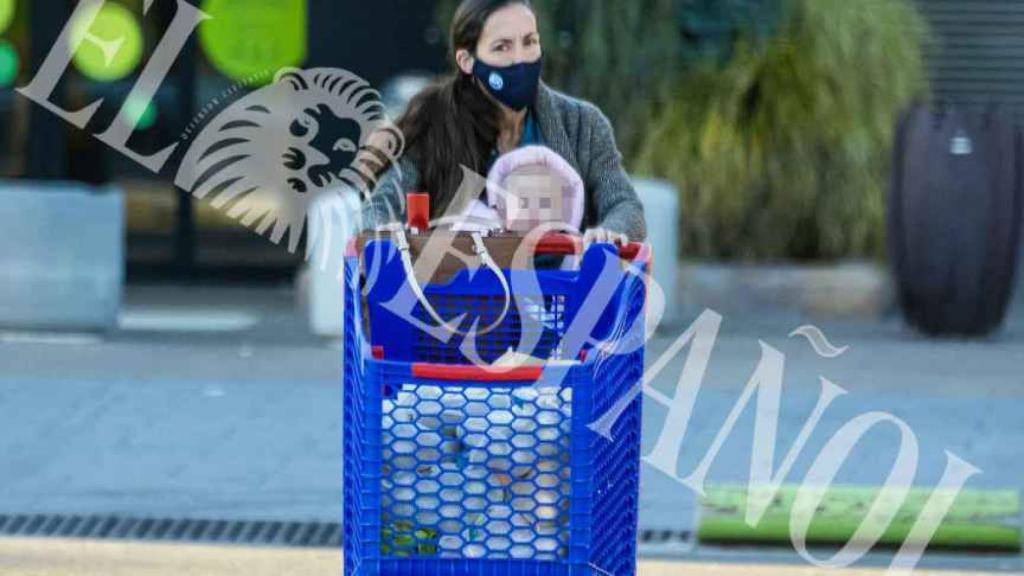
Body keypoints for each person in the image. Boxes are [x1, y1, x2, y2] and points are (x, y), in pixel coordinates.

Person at [361, 0, 646, 245]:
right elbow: (383, 202)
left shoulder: (583, 124)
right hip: (453, 299)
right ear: (467, 60)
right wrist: (383, 229)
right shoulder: (434, 123)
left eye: (529, 42)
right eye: (502, 47)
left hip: (561, 296)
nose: (520, 58)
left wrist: (611, 232)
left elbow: (624, 204)